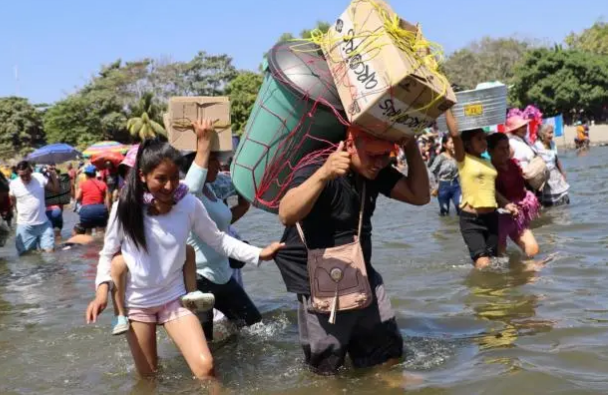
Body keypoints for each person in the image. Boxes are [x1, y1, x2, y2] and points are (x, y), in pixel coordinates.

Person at [85, 137, 283, 382]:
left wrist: (257, 253)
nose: (169, 186)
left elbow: (218, 240)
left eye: (175, 177)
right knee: (149, 378)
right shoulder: (125, 207)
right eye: (161, 178)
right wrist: (102, 292)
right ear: (143, 176)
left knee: (206, 367)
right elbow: (107, 255)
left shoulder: (188, 203)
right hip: (139, 304)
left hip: (174, 300)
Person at [276, 125, 430, 375]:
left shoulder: (375, 170)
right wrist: (324, 174)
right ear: (350, 145)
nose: (380, 162)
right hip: (319, 279)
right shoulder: (318, 165)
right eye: (372, 154)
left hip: (361, 270)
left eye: (386, 155)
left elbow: (420, 196)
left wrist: (410, 144)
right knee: (327, 369)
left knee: (388, 358)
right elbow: (286, 213)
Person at [182, 120, 260, 341]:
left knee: (254, 327)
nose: (220, 165)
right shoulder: (187, 192)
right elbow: (192, 186)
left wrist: (244, 204)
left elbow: (220, 224)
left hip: (222, 274)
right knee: (204, 344)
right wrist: (203, 144)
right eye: (215, 160)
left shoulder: (210, 191)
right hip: (199, 279)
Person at [446, 110, 509, 270]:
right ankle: (480, 292)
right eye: (479, 139)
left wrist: (506, 204)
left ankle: (494, 294)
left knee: (495, 264)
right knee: (483, 263)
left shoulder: (487, 162)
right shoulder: (463, 159)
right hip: (471, 220)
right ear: (467, 143)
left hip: (492, 218)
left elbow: (490, 189)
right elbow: (454, 134)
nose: (484, 142)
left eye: (484, 138)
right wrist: (447, 107)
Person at [487, 133, 541, 260]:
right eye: (501, 148)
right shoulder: (488, 169)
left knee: (533, 250)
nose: (505, 151)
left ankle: (527, 276)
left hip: (518, 215)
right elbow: (490, 191)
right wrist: (505, 204)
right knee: (500, 260)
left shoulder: (513, 164)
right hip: (499, 217)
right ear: (490, 151)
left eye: (507, 147)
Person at [9, 161, 59, 255]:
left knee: (50, 254)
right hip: (25, 226)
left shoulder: (39, 177)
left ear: (31, 171)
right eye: (21, 175)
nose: (25, 178)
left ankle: (49, 270)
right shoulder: (14, 184)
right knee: (26, 258)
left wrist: (53, 175)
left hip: (43, 224)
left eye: (27, 174)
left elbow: (55, 190)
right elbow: (12, 200)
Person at [533, 124, 570, 207]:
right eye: (549, 133)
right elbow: (533, 162)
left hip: (555, 174)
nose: (551, 135)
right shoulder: (537, 146)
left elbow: (556, 160)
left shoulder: (553, 144)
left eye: (552, 133)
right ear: (543, 134)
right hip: (544, 176)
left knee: (564, 197)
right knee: (548, 201)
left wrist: (562, 173)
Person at [429, 135, 461, 216]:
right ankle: (445, 228)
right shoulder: (440, 157)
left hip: (456, 185)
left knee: (460, 208)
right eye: (451, 143)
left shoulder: (457, 156)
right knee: (444, 211)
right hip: (443, 187)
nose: (454, 145)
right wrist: (434, 187)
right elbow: (431, 172)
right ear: (444, 145)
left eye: (454, 143)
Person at [76, 165, 110, 232]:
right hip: (100, 209)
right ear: (95, 173)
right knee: (101, 232)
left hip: (87, 210)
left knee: (88, 232)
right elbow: (107, 201)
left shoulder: (83, 184)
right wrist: (107, 212)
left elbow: (77, 197)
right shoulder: (103, 184)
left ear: (86, 175)